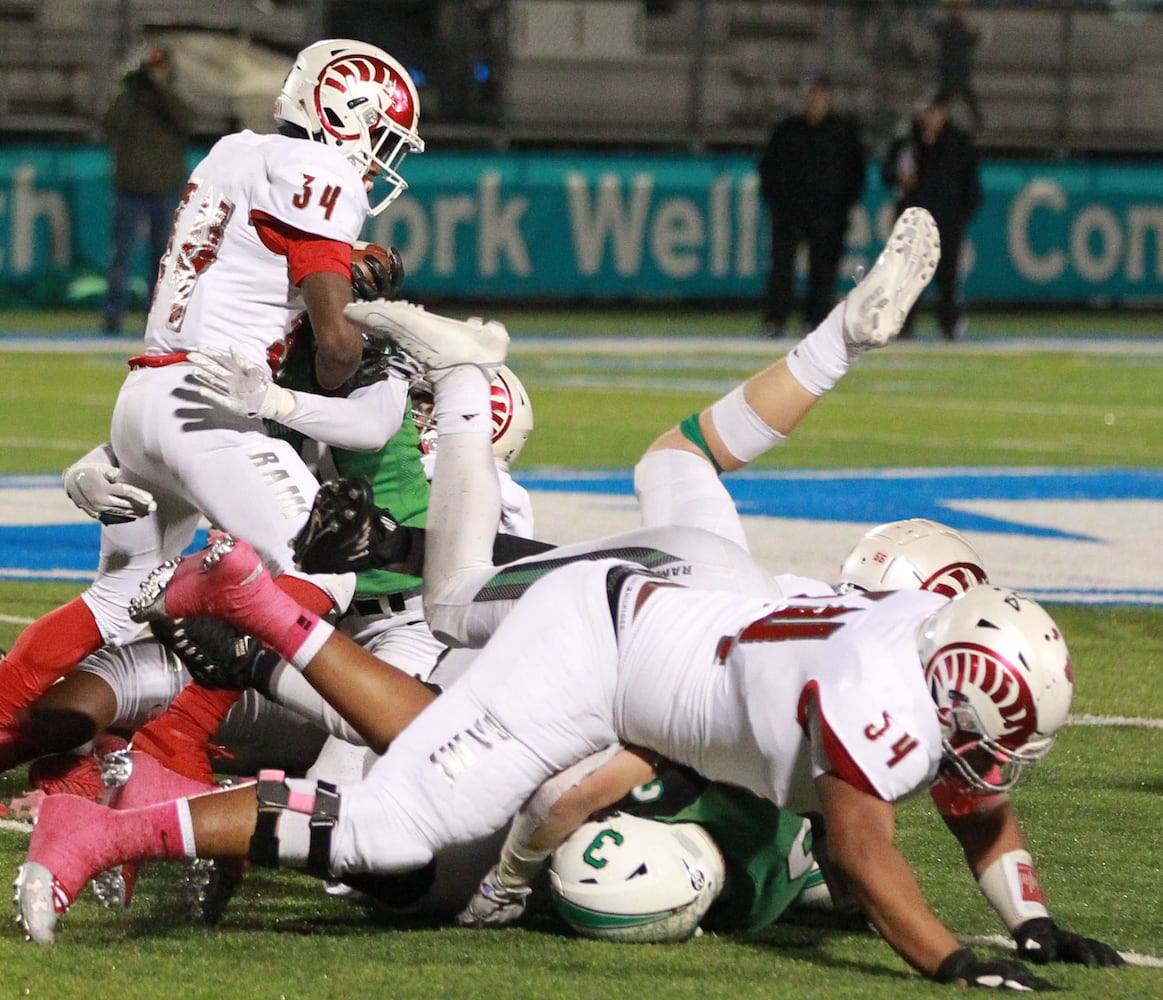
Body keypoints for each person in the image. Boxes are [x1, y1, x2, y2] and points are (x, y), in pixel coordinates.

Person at [16, 221, 1123, 987]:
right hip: (609, 645)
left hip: (685, 575)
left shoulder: (873, 625)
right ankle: (204, 695)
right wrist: (510, 877)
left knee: (470, 609)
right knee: (400, 807)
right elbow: (854, 845)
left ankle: (254, 627)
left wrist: (1026, 917)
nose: (989, 760)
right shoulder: (873, 690)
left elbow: (684, 453)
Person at [0, 39, 424, 777]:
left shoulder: (234, 150)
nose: (381, 160)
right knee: (326, 566)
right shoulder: (322, 169)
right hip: (213, 407)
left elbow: (250, 260)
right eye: (381, 137)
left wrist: (337, 276)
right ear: (345, 114)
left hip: (144, 398)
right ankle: (174, 748)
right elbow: (332, 345)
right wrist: (356, 333)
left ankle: (10, 726)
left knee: (122, 591)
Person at [757, 69, 866, 339]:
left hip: (828, 213)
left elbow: (856, 173)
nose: (815, 99)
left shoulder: (842, 131)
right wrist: (778, 203)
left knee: (823, 269)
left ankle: (815, 320)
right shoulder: (787, 130)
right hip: (790, 213)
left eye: (819, 93)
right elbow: (768, 169)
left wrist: (842, 205)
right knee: (782, 267)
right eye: (811, 93)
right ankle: (776, 318)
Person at [101, 46, 195, 336]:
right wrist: (130, 90)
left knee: (163, 259)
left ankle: (157, 317)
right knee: (121, 256)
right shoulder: (131, 99)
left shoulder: (171, 101)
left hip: (164, 190)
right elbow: (109, 125)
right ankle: (112, 316)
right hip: (131, 188)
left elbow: (187, 122)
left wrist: (159, 90)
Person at [881, 90, 982, 341]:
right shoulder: (906, 139)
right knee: (908, 277)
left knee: (947, 276)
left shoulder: (958, 142)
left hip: (946, 220)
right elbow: (888, 171)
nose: (930, 117)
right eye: (926, 111)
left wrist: (959, 216)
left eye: (935, 111)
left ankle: (949, 324)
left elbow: (971, 185)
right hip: (914, 221)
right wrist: (899, 178)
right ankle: (903, 325)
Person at [928, 0, 984, 133]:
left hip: (948, 69)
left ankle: (933, 119)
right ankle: (978, 121)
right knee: (965, 96)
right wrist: (978, 34)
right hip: (958, 70)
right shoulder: (960, 28)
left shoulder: (947, 26)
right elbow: (970, 41)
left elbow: (935, 30)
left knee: (944, 97)